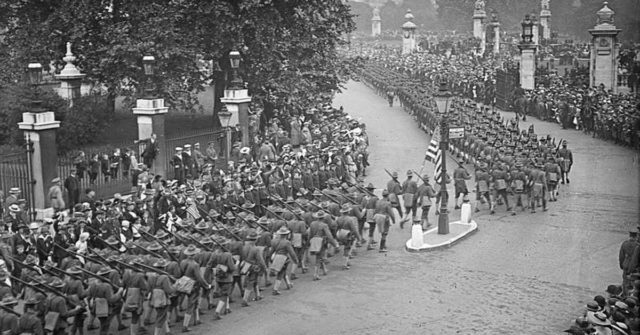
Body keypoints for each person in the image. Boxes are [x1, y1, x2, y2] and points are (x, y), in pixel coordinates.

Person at [269, 226, 298, 295]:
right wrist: (295, 260)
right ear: (286, 235)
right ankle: (275, 289)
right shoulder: (287, 242)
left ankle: (288, 284)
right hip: (283, 258)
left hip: (276, 257)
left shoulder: (274, 241)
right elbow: (292, 253)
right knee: (281, 273)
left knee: (283, 272)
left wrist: (270, 259)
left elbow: (271, 252)